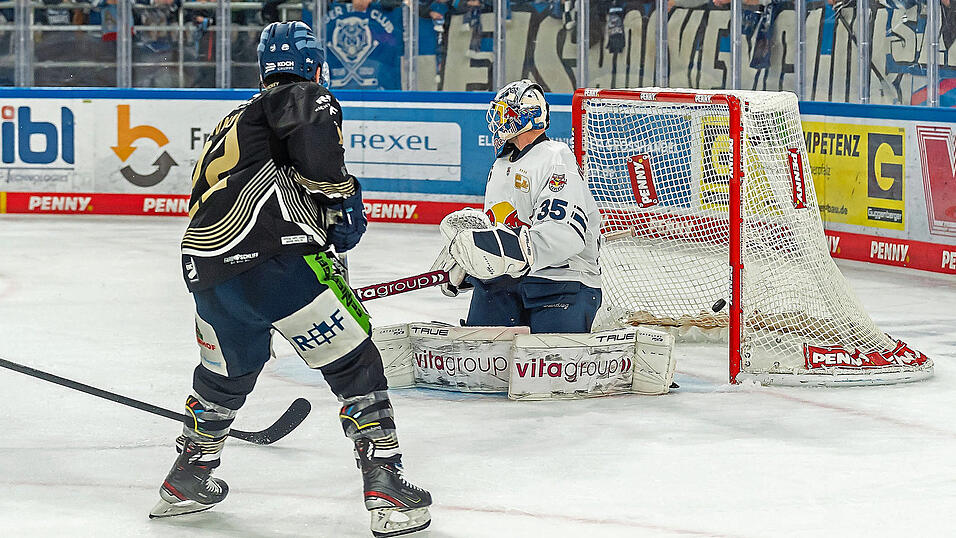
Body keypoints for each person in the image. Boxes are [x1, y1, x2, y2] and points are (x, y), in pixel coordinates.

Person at [149, 21, 431, 538]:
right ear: (314, 67)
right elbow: (320, 163)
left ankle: (187, 477)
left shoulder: (234, 119)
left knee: (225, 376)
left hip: (207, 272)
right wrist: (342, 200)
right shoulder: (302, 95)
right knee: (354, 363)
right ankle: (386, 485)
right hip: (275, 258)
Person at [432, 79, 602, 333]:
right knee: (482, 348)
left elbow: (564, 236)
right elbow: (498, 225)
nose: (498, 120)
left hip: (562, 281)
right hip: (509, 280)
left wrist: (503, 251)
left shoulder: (555, 157)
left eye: (505, 113)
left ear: (527, 116)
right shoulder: (501, 164)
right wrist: (471, 261)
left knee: (549, 354)